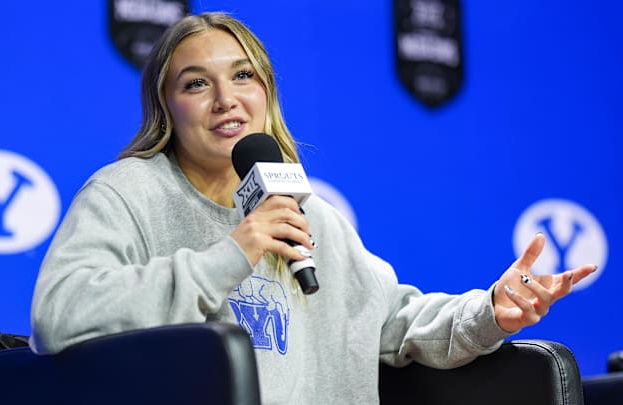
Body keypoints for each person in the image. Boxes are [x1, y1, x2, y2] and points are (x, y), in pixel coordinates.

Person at [30, 11, 597, 404]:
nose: (227, 100)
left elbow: (392, 322)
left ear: (267, 93)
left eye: (243, 76)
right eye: (197, 84)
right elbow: (61, 315)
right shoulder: (127, 193)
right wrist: (233, 252)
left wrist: (492, 311)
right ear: (165, 108)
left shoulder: (309, 212)